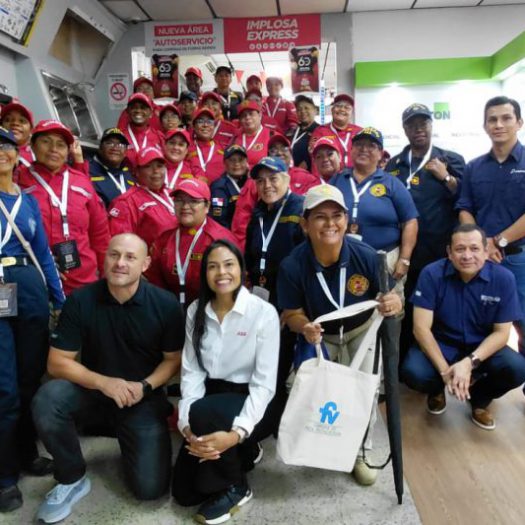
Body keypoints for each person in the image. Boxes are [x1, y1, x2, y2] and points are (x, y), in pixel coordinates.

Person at [31, 233, 184, 523]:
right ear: (104, 258)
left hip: (141, 398)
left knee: (150, 490)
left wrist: (145, 386)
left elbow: (173, 360)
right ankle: (71, 476)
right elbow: (57, 363)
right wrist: (104, 383)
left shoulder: (165, 304)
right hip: (93, 391)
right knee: (49, 399)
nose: (120, 263)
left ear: (145, 264)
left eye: (130, 257)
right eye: (114, 255)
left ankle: (132, 435)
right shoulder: (81, 300)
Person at [277, 184, 402, 486]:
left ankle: (360, 452)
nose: (330, 224)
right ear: (305, 224)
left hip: (362, 331)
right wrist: (304, 326)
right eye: (320, 217)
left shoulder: (367, 256)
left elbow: (392, 297)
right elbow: (290, 314)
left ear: (347, 221)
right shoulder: (293, 265)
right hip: (321, 337)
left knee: (364, 391)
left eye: (337, 216)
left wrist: (394, 303)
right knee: (311, 390)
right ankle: (320, 441)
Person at [172, 239, 279, 524]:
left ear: (242, 270)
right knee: (185, 493)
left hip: (254, 398)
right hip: (210, 399)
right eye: (213, 266)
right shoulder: (196, 310)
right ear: (205, 273)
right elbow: (192, 372)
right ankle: (243, 452)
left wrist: (235, 435)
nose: (221, 272)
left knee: (206, 413)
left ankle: (236, 485)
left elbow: (264, 384)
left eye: (229, 264)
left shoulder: (262, 313)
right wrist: (186, 426)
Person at [400, 224, 525, 429]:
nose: (467, 256)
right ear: (449, 252)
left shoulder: (504, 279)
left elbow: (502, 334)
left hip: (482, 348)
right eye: (460, 249)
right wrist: (445, 372)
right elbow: (420, 329)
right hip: (442, 344)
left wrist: (469, 363)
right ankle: (437, 391)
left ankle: (479, 400)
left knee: (517, 368)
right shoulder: (431, 274)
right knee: (413, 372)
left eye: (474, 249)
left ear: (486, 251)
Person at [0, 126, 65, 513]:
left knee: (28, 381)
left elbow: (44, 255)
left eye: (7, 146)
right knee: (4, 388)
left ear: (17, 154)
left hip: (28, 288)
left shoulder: (28, 201)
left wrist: (58, 298)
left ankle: (26, 453)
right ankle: (5, 475)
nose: (1, 152)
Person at [386, 103, 465, 358]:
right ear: (404, 129)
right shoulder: (395, 164)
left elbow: (466, 198)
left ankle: (442, 363)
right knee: (408, 308)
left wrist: (446, 177)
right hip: (406, 253)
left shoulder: (451, 159)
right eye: (412, 125)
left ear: (431, 125)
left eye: (423, 123)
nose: (418, 129)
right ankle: (410, 364)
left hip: (441, 252)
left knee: (442, 309)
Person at [457, 96, 525, 360]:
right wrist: (482, 244)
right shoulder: (474, 167)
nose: (498, 125)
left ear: (519, 123)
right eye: (492, 119)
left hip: (518, 259)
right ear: (485, 126)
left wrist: (498, 241)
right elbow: (465, 208)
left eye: (506, 118)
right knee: (481, 327)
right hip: (481, 260)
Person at [17, 119, 110, 295]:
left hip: (84, 281)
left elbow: (100, 235)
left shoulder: (82, 182)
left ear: (68, 151)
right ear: (32, 146)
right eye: (46, 142)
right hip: (37, 279)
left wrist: (107, 277)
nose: (53, 149)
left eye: (60, 145)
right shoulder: (17, 181)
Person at [330, 127, 419, 297]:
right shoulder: (337, 180)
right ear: (351, 150)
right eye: (359, 145)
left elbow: (410, 221)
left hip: (384, 258)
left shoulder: (392, 183)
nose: (364, 149)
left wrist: (404, 259)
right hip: (342, 257)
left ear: (380, 154)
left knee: (387, 307)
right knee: (346, 304)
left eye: (371, 146)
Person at [146, 178, 238, 309]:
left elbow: (231, 286)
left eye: (193, 201)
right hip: (168, 307)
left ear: (207, 206)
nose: (185, 206)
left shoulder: (220, 240)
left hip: (209, 308)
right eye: (179, 200)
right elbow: (155, 279)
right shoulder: (165, 236)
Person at [230, 134, 318, 249]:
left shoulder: (307, 178)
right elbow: (241, 221)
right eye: (273, 150)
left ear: (291, 153)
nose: (279, 152)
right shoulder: (254, 182)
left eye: (284, 148)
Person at [109, 147, 177, 249]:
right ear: (136, 171)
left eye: (160, 166)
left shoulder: (173, 194)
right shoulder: (126, 203)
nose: (156, 171)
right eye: (148, 166)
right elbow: (121, 247)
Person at [309, 94, 362, 170]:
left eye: (347, 107)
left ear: (352, 112)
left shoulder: (359, 132)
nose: (342, 109)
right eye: (338, 106)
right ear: (332, 109)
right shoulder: (320, 131)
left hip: (355, 176)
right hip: (330, 176)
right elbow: (315, 159)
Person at [88, 128, 134, 208]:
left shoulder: (129, 175)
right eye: (109, 143)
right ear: (100, 148)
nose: (115, 148)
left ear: (126, 152)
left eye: (120, 145)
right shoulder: (87, 170)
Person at [209, 144, 249, 229]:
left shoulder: (250, 181)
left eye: (241, 160)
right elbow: (219, 220)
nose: (237, 164)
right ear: (225, 163)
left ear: (246, 162)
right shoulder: (219, 187)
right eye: (232, 160)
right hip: (231, 232)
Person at [121, 93, 162, 171]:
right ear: (127, 112)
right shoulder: (119, 137)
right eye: (134, 107)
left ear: (151, 113)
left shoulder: (159, 137)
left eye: (143, 108)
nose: (138, 110)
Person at [187, 108, 225, 185]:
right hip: (193, 189)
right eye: (200, 121)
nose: (205, 125)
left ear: (214, 126)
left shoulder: (223, 148)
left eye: (209, 122)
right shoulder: (186, 148)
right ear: (193, 126)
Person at [232, 101, 272, 168]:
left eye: (251, 114)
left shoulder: (271, 136)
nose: (247, 117)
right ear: (240, 120)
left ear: (260, 115)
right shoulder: (234, 137)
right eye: (243, 116)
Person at [0, 101, 34, 168]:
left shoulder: (39, 154)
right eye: (8, 120)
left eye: (22, 121)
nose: (15, 123)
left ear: (31, 129)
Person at [290, 94, 319, 171]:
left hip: (309, 173)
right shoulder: (292, 131)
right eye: (299, 109)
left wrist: (306, 162)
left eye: (306, 108)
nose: (302, 111)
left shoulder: (320, 131)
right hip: (290, 172)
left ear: (315, 110)